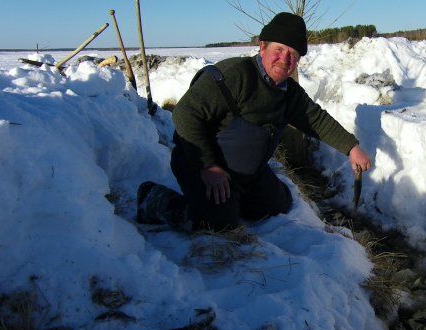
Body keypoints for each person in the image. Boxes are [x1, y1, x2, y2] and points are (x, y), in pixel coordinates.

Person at [136, 12, 371, 232]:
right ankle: (153, 198)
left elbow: (316, 120)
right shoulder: (233, 76)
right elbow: (185, 114)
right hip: (201, 164)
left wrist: (351, 148)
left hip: (248, 175)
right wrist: (209, 166)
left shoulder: (289, 93)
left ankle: (235, 199)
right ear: (262, 47)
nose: (285, 60)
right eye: (279, 50)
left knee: (277, 204)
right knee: (216, 222)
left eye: (293, 55)